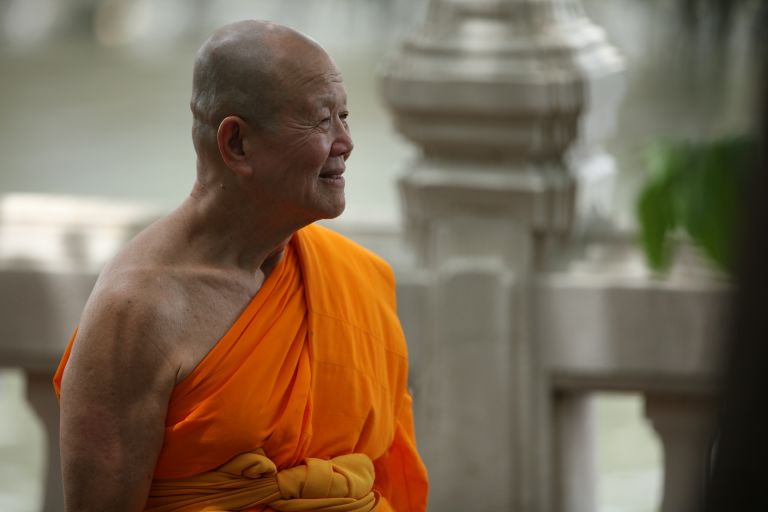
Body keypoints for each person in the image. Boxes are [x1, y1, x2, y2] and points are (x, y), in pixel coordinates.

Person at [52, 19, 428, 512]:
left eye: (344, 116)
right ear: (237, 145)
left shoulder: (355, 276)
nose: (346, 142)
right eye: (321, 121)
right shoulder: (139, 309)